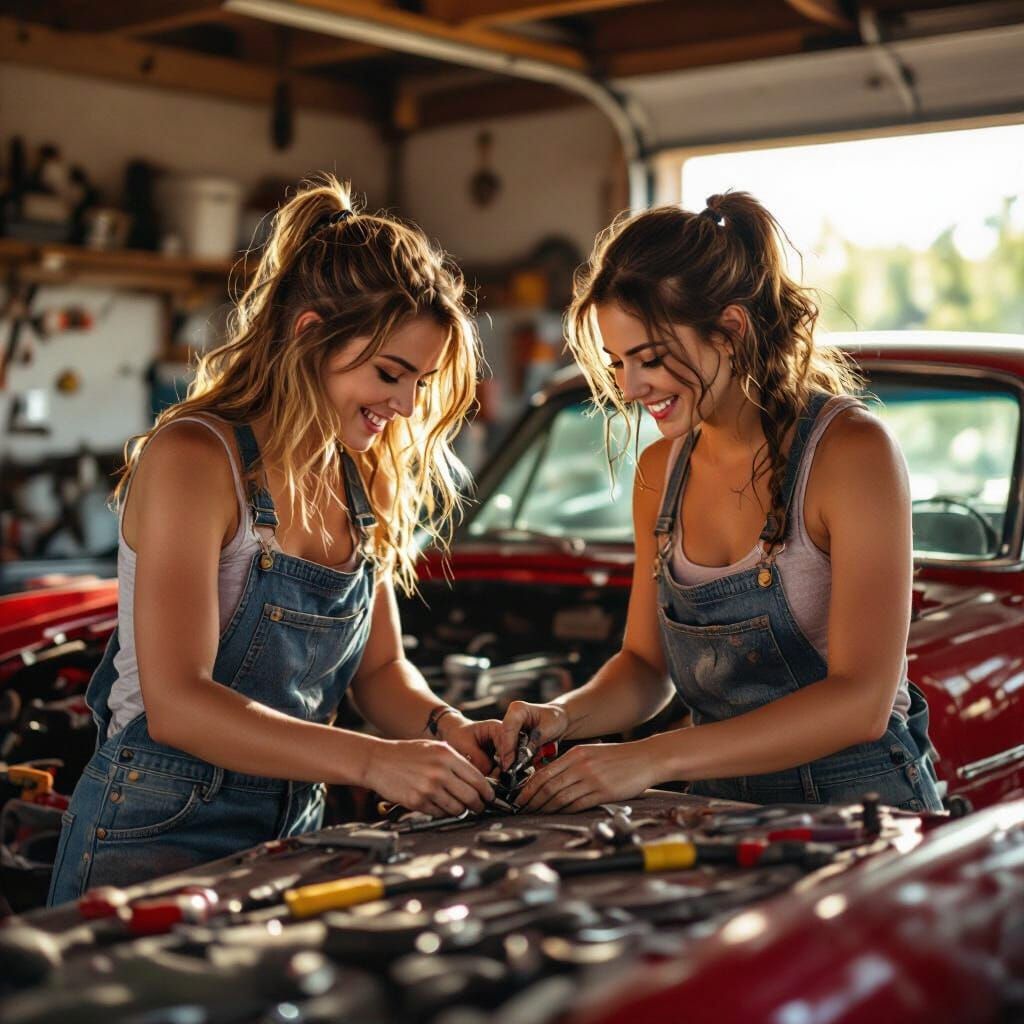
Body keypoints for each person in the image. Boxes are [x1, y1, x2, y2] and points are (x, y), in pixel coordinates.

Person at [48, 177, 498, 905]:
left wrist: (446, 728)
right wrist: (376, 763)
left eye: (421, 381)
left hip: (295, 827)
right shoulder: (195, 457)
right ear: (309, 332)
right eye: (391, 373)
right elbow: (180, 704)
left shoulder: (362, 479)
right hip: (156, 830)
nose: (408, 405)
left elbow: (381, 674)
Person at [496, 192, 943, 814]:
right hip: (723, 815)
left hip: (864, 809)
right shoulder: (660, 471)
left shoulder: (850, 454)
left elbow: (861, 702)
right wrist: (561, 717)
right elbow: (644, 665)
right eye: (617, 362)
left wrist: (654, 756)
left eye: (649, 359)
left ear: (730, 330)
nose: (629, 386)